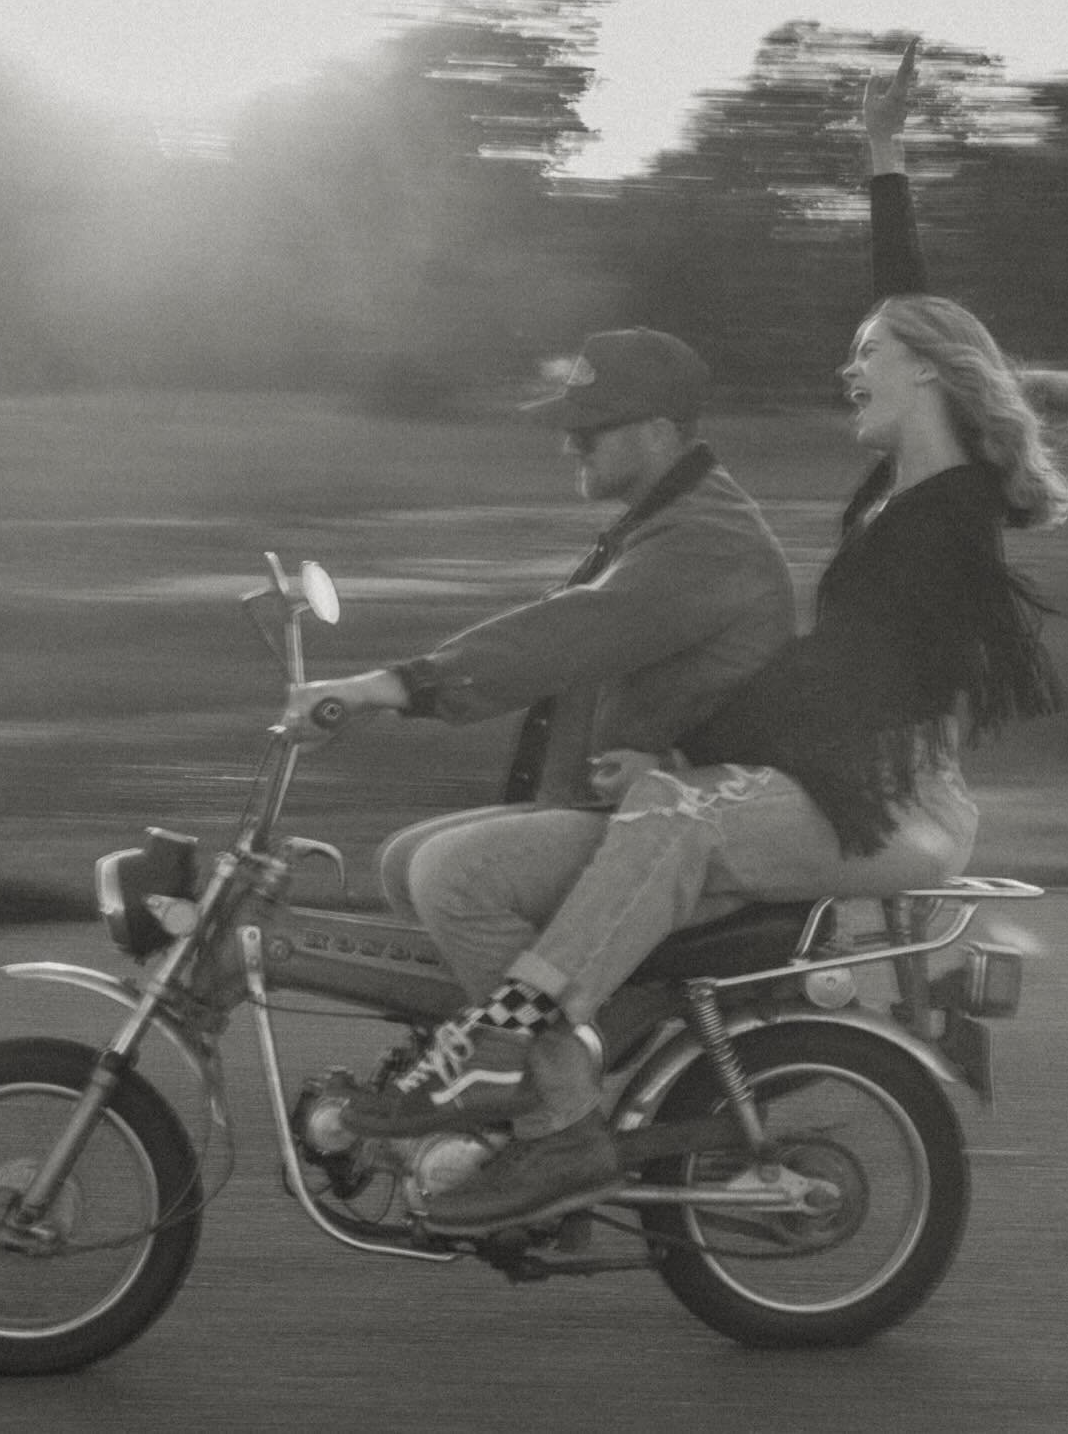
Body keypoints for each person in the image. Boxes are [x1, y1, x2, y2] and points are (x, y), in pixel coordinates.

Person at [292, 42, 1068, 1234]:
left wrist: (692, 751)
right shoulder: (909, 482)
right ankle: (535, 1071)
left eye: (868, 358)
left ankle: (513, 1072)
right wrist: (882, 160)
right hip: (846, 783)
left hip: (895, 803)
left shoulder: (952, 514)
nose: (848, 367)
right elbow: (905, 304)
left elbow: (848, 677)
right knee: (665, 806)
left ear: (924, 374)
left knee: (679, 810)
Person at [284, 324, 797, 1187]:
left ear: (663, 433)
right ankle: (488, 1094)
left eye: (593, 424)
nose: (571, 439)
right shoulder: (665, 522)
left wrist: (396, 685)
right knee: (405, 860)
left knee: (457, 876)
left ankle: (556, 1121)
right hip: (642, 806)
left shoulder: (706, 541)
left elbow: (566, 637)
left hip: (688, 837)